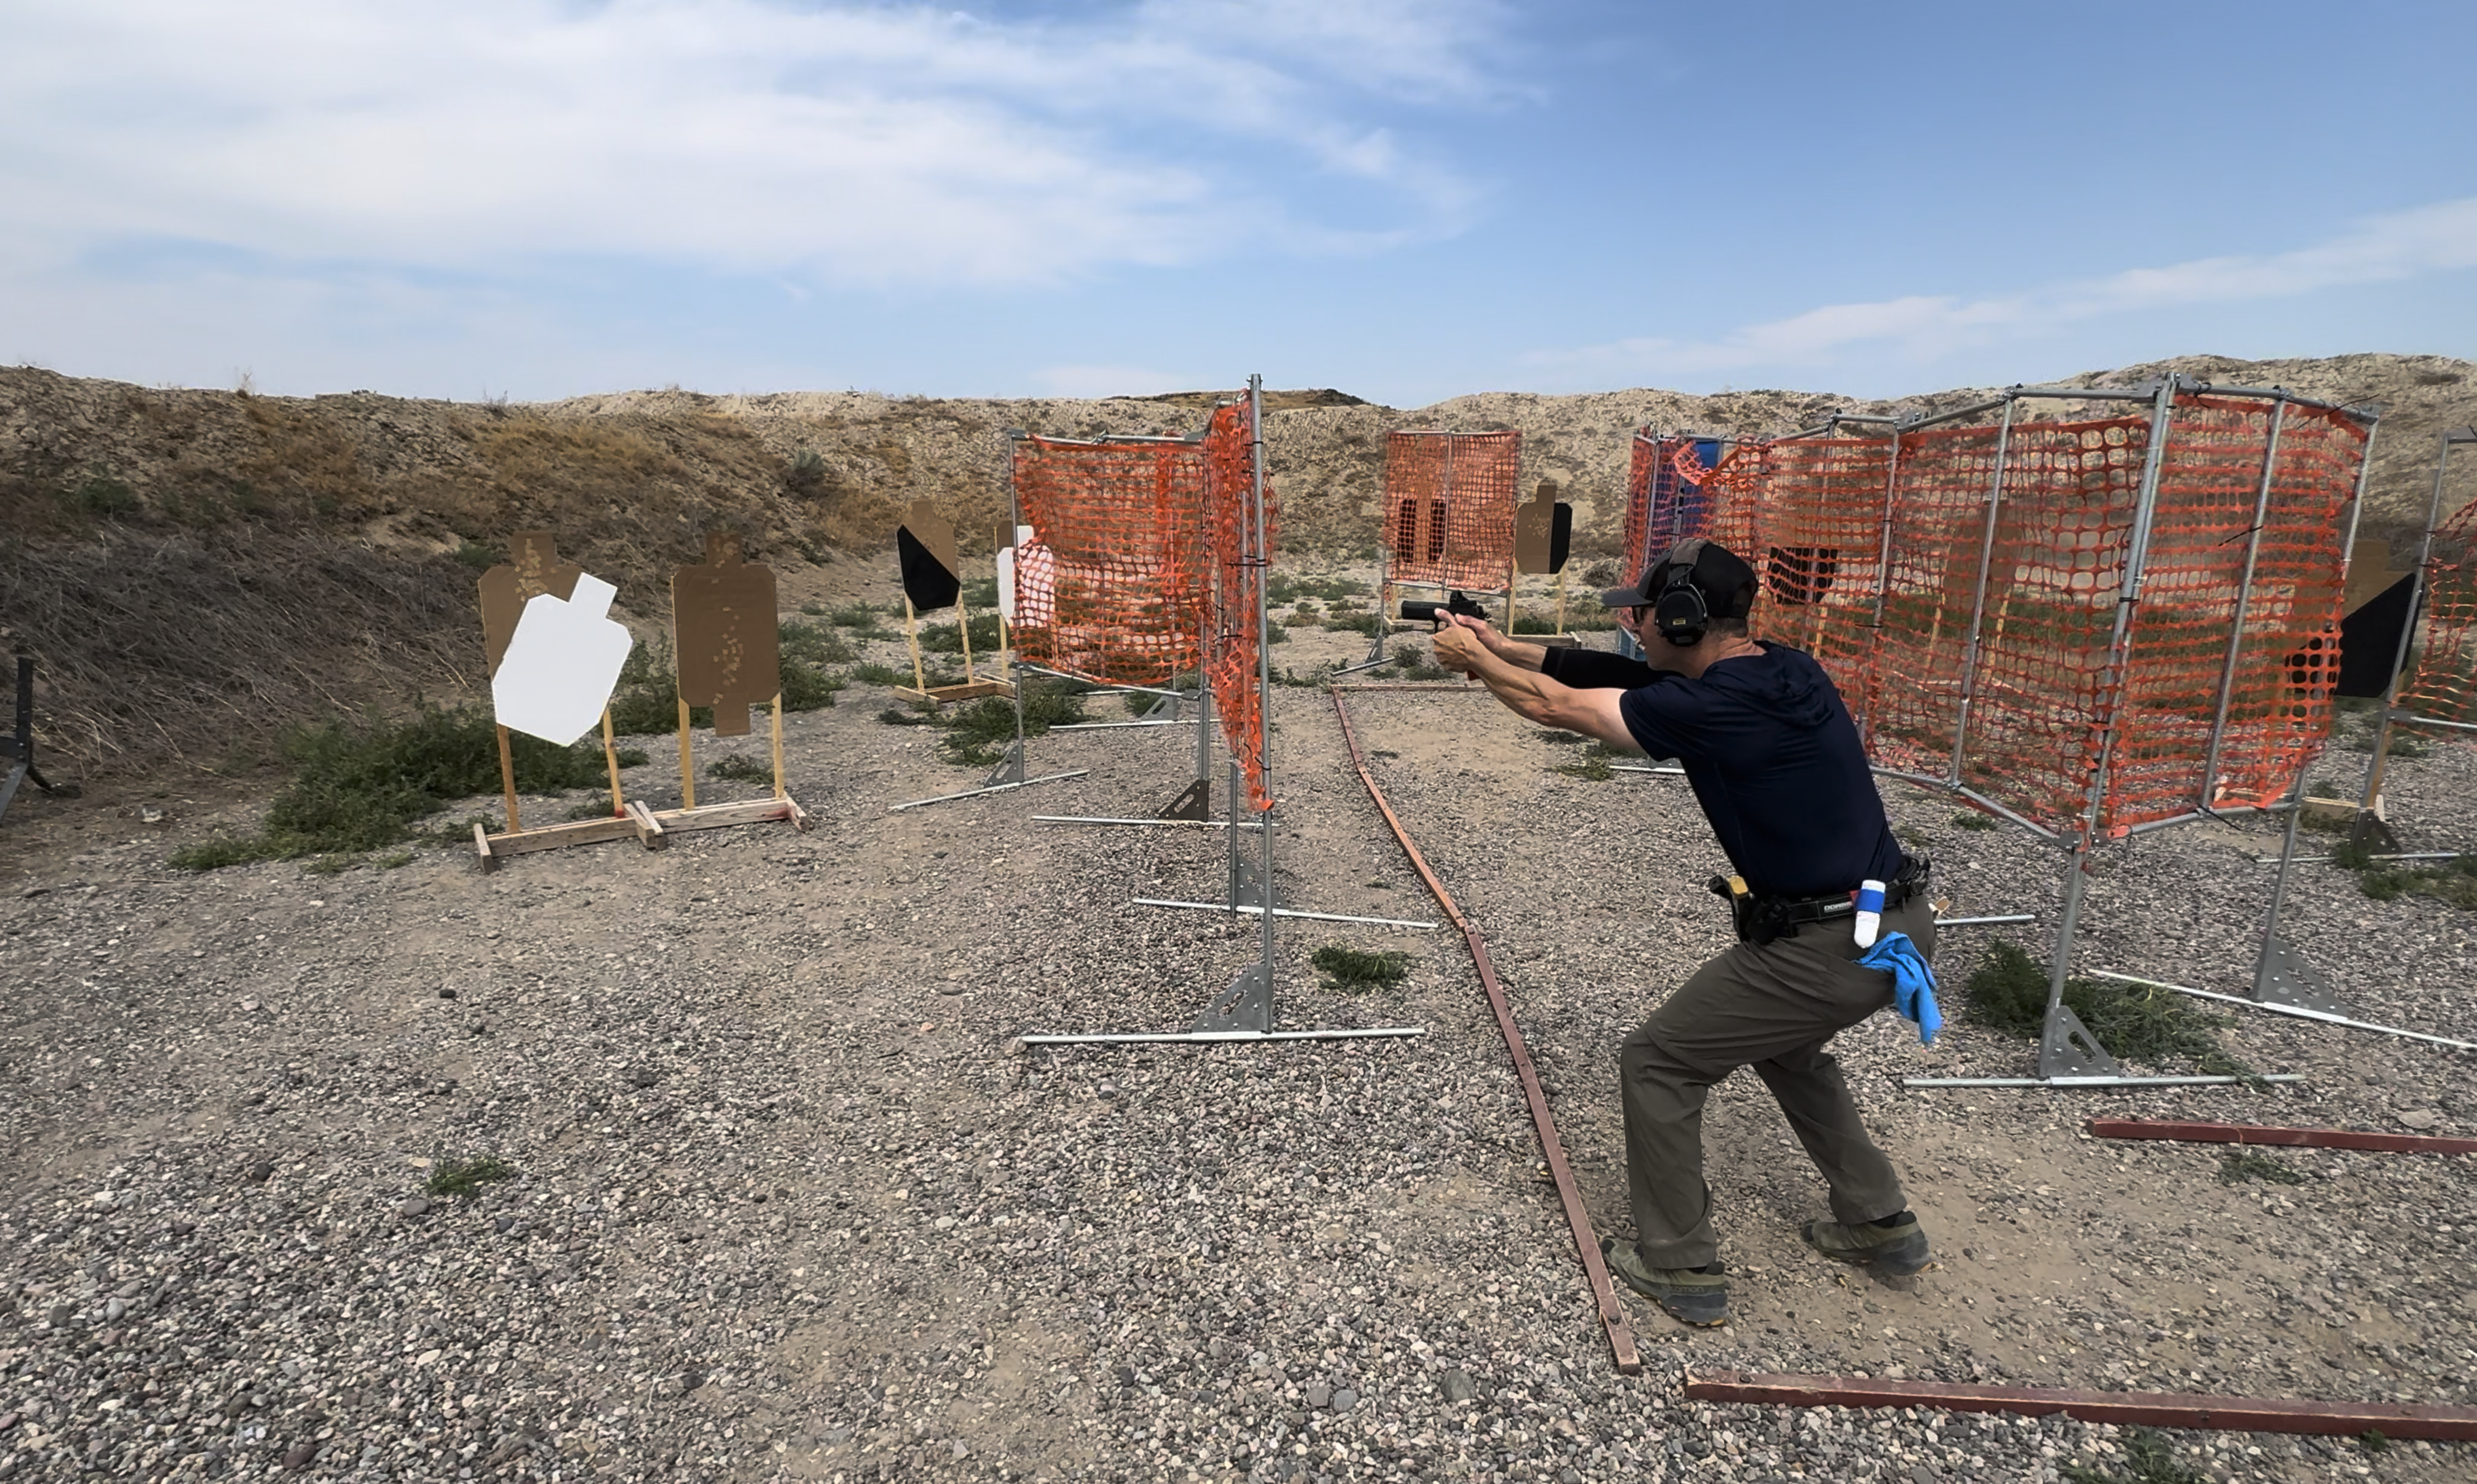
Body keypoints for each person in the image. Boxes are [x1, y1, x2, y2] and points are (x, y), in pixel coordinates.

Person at [1429, 538, 1936, 1328]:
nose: (1634, 622)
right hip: (1892, 923)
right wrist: (1502, 646)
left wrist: (1473, 660)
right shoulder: (1788, 668)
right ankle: (1880, 1218)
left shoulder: (1714, 707)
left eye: (1645, 611)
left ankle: (1682, 1264)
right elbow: (1616, 675)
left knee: (1658, 1060)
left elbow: (1552, 705)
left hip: (1826, 946)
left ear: (1683, 618)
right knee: (1785, 1046)